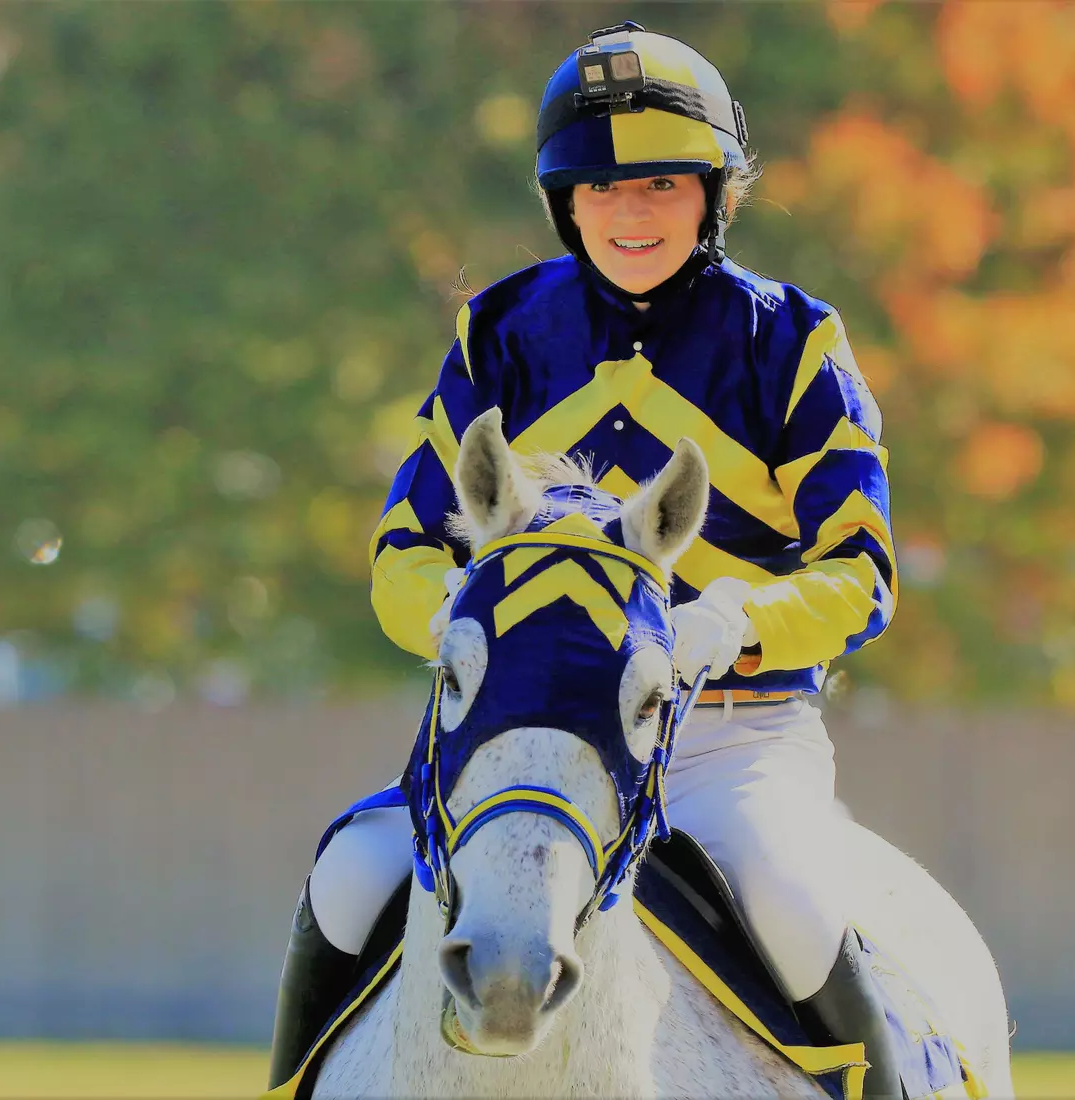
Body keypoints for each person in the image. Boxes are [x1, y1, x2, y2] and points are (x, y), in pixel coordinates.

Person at [271, 22, 906, 1097]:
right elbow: (401, 551)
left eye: (662, 183)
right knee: (347, 876)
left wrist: (740, 617)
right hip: (515, 737)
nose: (631, 213)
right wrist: (458, 614)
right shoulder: (502, 331)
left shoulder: (791, 340)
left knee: (794, 907)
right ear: (567, 203)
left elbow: (864, 572)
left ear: (714, 193)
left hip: (727, 738)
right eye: (601, 189)